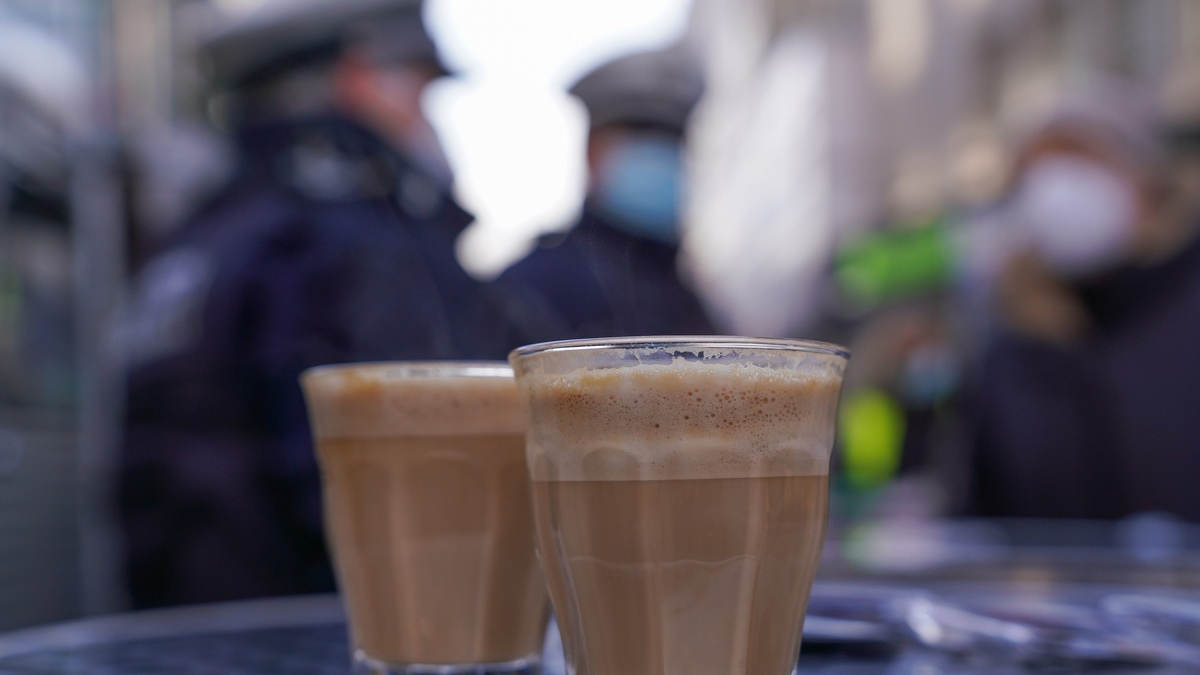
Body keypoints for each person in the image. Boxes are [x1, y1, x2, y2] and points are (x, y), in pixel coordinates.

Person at [117, 0, 511, 607]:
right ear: (359, 76)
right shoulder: (349, 239)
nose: (425, 119)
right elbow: (405, 491)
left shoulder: (200, 233)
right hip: (339, 633)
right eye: (418, 91)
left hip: (192, 630)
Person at [965, 86, 1200, 520]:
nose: (1055, 189)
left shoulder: (1185, 301)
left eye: (1075, 156)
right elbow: (1000, 510)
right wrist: (1051, 352)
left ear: (1142, 176)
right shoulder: (1016, 336)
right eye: (1034, 171)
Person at [495, 47, 715, 340]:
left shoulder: (688, 298)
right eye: (639, 133)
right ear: (592, 151)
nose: (659, 154)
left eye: (672, 140)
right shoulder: (532, 286)